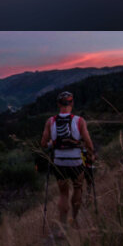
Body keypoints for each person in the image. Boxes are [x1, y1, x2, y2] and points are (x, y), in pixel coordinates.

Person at [41, 91, 95, 226]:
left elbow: (43, 144)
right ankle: (75, 220)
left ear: (58, 104)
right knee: (77, 188)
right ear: (72, 103)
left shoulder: (51, 121)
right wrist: (90, 155)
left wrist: (52, 144)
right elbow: (88, 142)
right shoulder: (79, 121)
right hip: (76, 161)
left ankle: (62, 225)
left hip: (59, 161)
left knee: (63, 193)